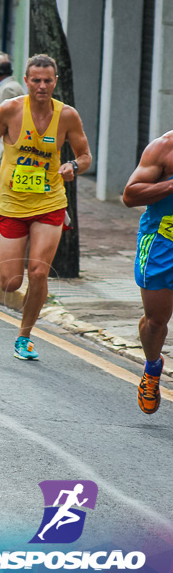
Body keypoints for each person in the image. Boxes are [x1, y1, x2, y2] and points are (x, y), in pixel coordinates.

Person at [0, 54, 92, 360]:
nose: (42, 86)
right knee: (11, 283)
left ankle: (24, 336)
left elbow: (85, 155)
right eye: (36, 80)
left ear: (55, 81)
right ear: (26, 81)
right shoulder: (11, 110)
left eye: (47, 80)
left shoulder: (66, 115)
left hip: (50, 201)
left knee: (39, 272)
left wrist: (73, 167)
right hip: (12, 203)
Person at [122, 129, 173, 414]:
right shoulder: (164, 148)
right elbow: (130, 195)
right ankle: (152, 369)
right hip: (163, 243)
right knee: (156, 321)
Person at [0, 52, 25, 243]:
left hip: (6, 159)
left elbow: (6, 130)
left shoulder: (8, 90)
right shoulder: (10, 87)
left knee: (0, 205)